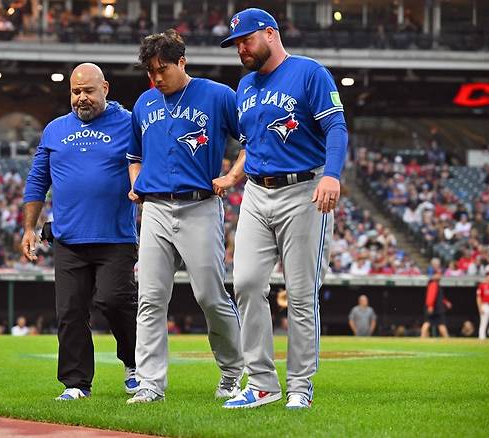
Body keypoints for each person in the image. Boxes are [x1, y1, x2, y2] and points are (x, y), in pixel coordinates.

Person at [217, 8, 348, 409]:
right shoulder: (245, 87)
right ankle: (261, 384)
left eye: (246, 40)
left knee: (302, 293)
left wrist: (333, 174)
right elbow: (249, 143)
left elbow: (336, 127)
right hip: (257, 193)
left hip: (303, 190)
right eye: (236, 43)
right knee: (247, 283)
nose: (240, 48)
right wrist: (236, 174)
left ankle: (299, 386)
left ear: (270, 34)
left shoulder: (309, 72)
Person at [125, 30, 243, 404]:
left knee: (210, 296)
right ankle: (150, 384)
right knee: (150, 298)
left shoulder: (218, 95)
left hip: (200, 205)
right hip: (156, 209)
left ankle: (232, 372)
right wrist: (136, 184)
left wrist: (231, 176)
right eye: (150, 71)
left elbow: (251, 141)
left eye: (162, 69)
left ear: (182, 62)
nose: (156, 78)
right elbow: (133, 157)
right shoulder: (144, 102)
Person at [22, 63, 138, 401]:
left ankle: (133, 364)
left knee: (115, 300)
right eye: (75, 92)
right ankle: (76, 384)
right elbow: (37, 181)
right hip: (69, 239)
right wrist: (29, 228)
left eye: (88, 91)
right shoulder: (55, 130)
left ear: (105, 88)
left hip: (115, 237)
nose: (81, 98)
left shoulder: (130, 123)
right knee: (70, 312)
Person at [420, 271, 451, 338]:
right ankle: (422, 337)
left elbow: (439, 297)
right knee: (428, 323)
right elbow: (430, 296)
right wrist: (430, 306)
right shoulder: (433, 284)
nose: (439, 276)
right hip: (434, 308)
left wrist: (446, 302)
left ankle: (447, 339)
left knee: (440, 324)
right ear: (434, 275)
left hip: (437, 308)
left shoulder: (436, 284)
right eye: (438, 274)